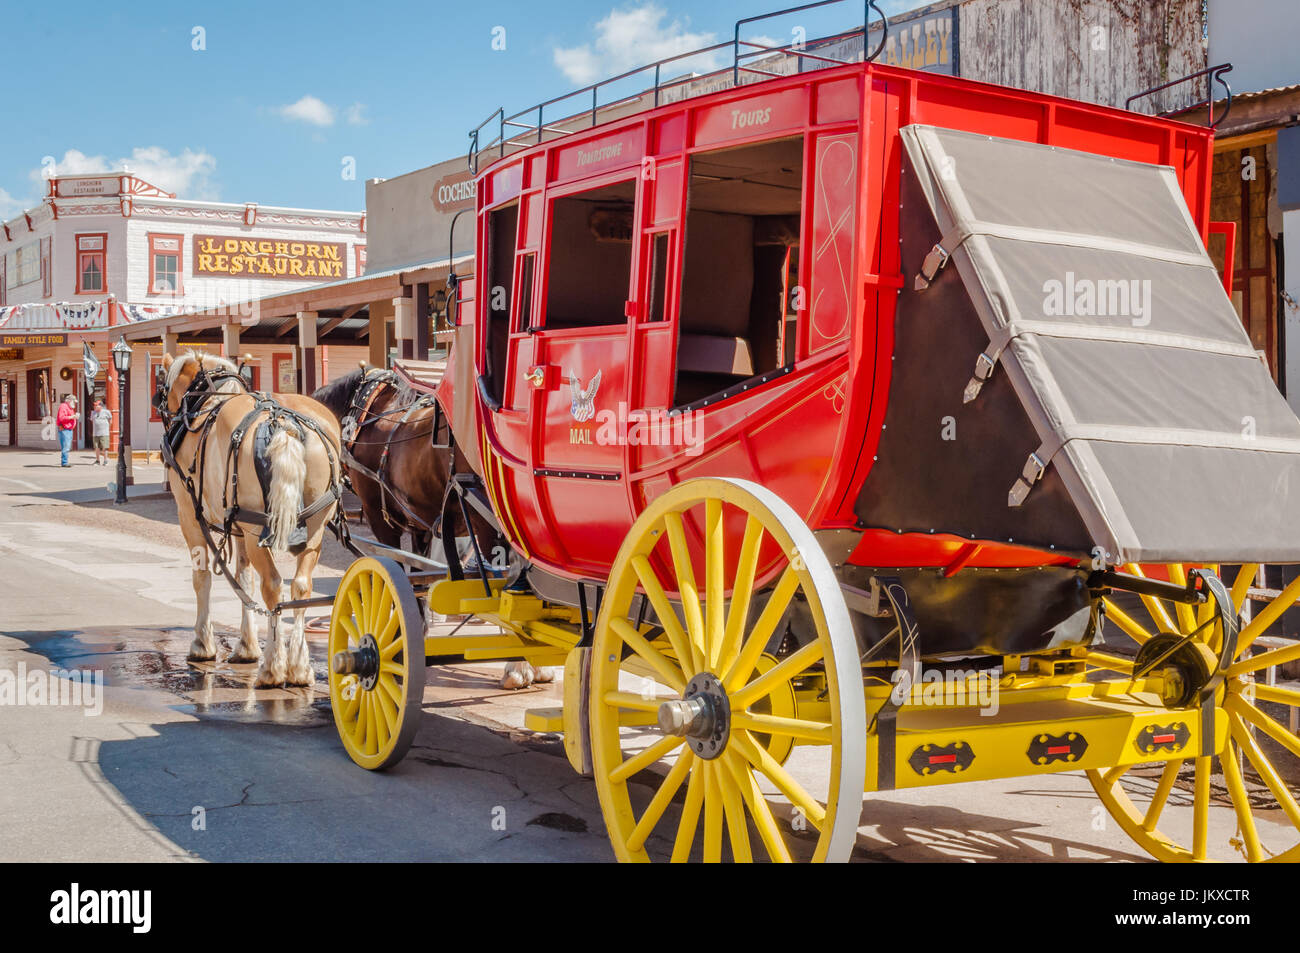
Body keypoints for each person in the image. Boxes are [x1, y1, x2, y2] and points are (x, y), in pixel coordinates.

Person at [55, 394, 77, 467]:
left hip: (68, 429)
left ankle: (64, 462)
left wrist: (73, 417)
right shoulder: (63, 406)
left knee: (66, 446)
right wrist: (72, 417)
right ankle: (64, 462)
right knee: (66, 446)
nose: (74, 403)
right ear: (70, 401)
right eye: (74, 401)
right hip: (65, 429)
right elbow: (61, 418)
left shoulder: (69, 407)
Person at [90, 397, 113, 466]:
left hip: (104, 433)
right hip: (95, 433)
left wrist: (108, 428)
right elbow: (92, 421)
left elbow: (110, 421)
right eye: (94, 405)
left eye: (96, 405)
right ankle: (97, 460)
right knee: (97, 447)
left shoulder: (106, 412)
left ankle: (105, 460)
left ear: (100, 406)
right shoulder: (93, 413)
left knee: (105, 447)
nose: (95, 407)